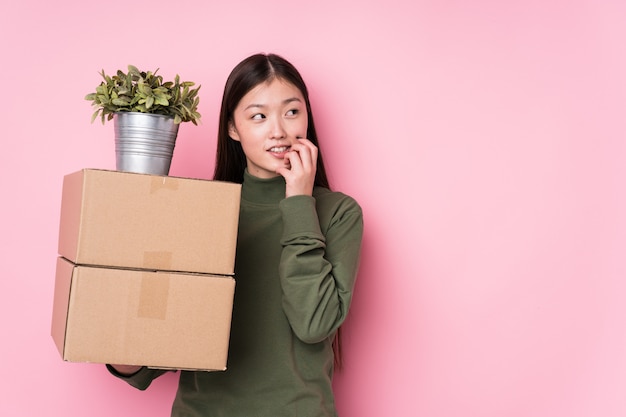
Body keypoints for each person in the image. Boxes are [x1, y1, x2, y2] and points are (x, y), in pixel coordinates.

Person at [108, 53, 364, 417]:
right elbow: (168, 337)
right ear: (232, 128)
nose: (279, 130)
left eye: (292, 112)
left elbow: (314, 324)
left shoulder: (339, 213)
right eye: (258, 116)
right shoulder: (201, 210)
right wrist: (123, 351)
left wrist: (299, 204)